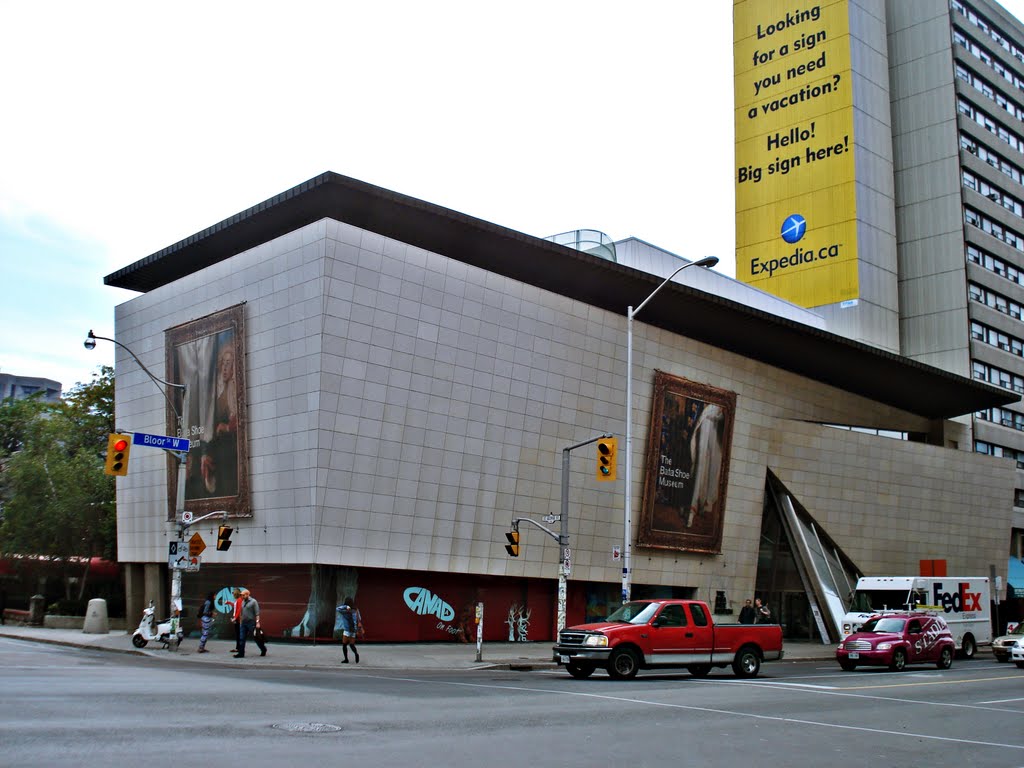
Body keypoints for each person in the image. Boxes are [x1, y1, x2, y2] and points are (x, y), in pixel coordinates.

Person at [235, 589, 267, 658]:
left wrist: (257, 623)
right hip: (243, 623)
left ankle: (263, 649)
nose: (242, 596)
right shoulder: (243, 602)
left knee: (256, 638)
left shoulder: (253, 602)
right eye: (241, 595)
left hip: (251, 622)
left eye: (243, 595)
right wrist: (241, 622)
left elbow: (257, 613)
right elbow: (241, 612)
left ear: (247, 594)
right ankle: (241, 653)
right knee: (242, 638)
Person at [335, 596, 363, 663]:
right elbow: (360, 618)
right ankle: (356, 654)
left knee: (344, 645)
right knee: (352, 644)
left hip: (347, 630)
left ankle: (346, 659)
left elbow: (337, 609)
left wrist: (345, 607)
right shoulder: (356, 610)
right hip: (353, 630)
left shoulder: (345, 611)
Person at [229, 588, 243, 653]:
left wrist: (235, 618)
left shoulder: (239, 600)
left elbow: (239, 610)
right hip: (237, 619)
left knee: (238, 634)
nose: (233, 595)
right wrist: (229, 603)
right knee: (238, 634)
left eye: (233, 593)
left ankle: (239, 648)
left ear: (236, 594)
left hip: (238, 620)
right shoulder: (238, 600)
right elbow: (235, 607)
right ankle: (238, 648)